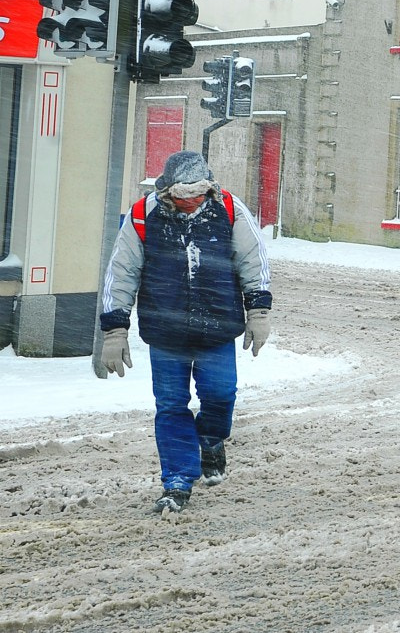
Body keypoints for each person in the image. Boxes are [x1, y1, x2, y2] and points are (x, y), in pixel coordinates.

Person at [97, 151, 273, 514]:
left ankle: (210, 439)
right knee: (171, 406)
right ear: (167, 190)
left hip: (218, 328)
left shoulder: (228, 208)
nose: (192, 201)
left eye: (198, 194)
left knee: (221, 396)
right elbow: (122, 272)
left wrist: (258, 310)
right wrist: (114, 331)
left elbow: (252, 259)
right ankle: (177, 481)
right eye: (184, 194)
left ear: (208, 188)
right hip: (165, 334)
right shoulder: (144, 215)